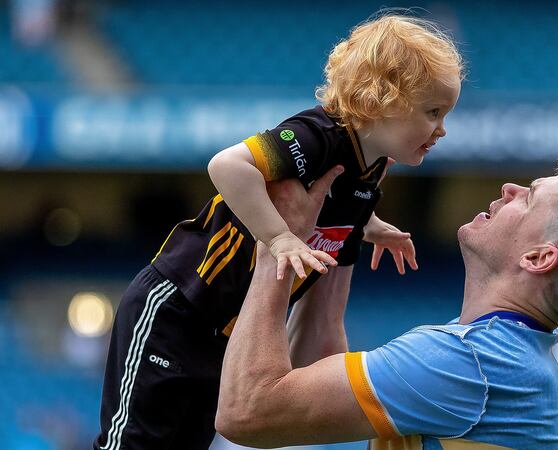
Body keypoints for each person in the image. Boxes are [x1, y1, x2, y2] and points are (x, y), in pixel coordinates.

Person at [94, 13, 463, 450]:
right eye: (433, 112)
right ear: (383, 98)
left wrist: (369, 225)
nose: (441, 129)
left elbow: (336, 209)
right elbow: (227, 167)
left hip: (223, 334)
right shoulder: (317, 135)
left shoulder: (373, 168)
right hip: (177, 305)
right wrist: (278, 237)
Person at [216, 155, 558, 449]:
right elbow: (315, 371)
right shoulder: (518, 350)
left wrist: (276, 241)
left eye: (528, 199)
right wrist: (342, 227)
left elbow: (247, 411)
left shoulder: (475, 364)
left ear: (539, 258)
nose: (508, 188)